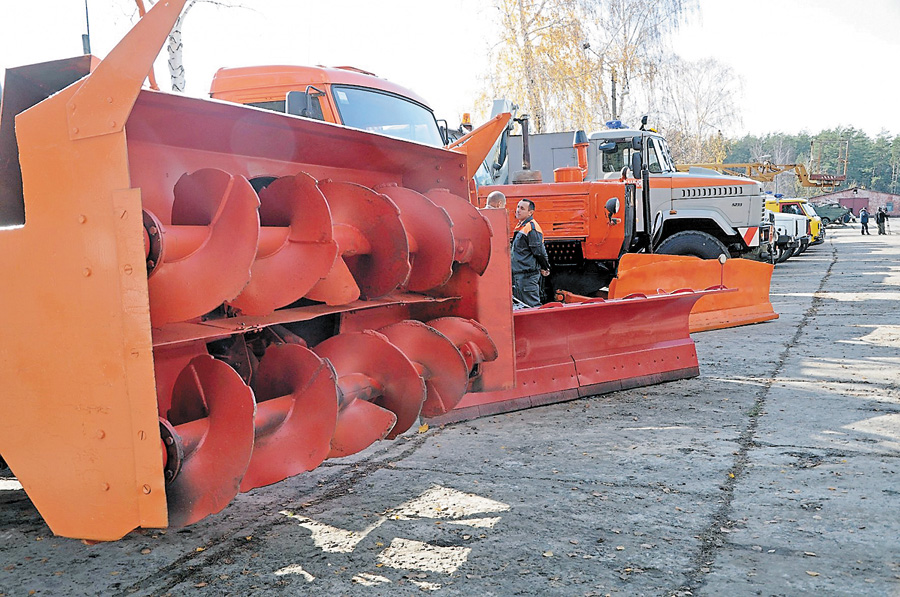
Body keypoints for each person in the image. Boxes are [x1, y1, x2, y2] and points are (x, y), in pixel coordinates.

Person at [511, 199, 551, 307]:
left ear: (530, 212)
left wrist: (545, 267)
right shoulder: (522, 226)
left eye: (522, 208)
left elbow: (539, 252)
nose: (518, 210)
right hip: (520, 276)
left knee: (532, 307)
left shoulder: (532, 228)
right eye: (518, 207)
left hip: (527, 277)